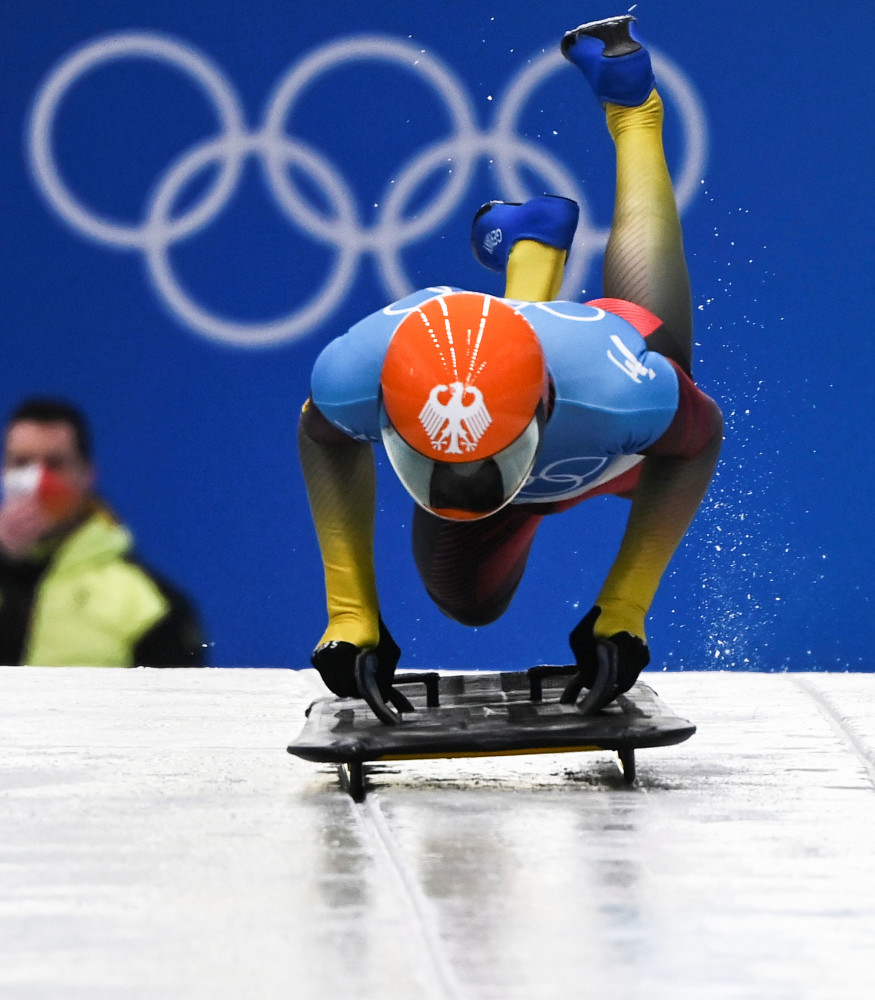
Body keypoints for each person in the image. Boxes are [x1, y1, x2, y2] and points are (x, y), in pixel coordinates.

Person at [298, 15, 723, 710]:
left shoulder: (623, 392)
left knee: (670, 354)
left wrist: (625, 605)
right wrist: (349, 615)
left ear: (544, 411)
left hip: (608, 396)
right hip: (570, 415)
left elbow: (699, 444)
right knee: (468, 603)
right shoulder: (356, 373)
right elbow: (321, 437)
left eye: (476, 462)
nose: (462, 483)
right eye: (440, 462)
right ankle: (532, 257)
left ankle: (633, 114)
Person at [0, 397, 205, 667]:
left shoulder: (146, 603)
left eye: (54, 464)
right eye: (22, 463)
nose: (38, 481)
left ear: (87, 474)